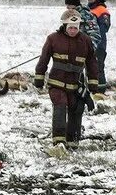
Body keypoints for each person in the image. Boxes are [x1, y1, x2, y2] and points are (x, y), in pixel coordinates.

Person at [34, 11, 99, 145]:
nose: (73, 30)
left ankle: (72, 141)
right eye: (70, 27)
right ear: (65, 26)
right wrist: (39, 77)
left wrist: (93, 82)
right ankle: (59, 141)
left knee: (76, 109)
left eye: (76, 27)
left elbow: (92, 62)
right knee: (60, 105)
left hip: (75, 86)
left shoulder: (85, 40)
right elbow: (44, 59)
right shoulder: (53, 39)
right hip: (56, 84)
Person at [84, 0, 111, 94]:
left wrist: (94, 40)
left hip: (99, 45)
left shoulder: (102, 11)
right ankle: (90, 89)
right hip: (87, 44)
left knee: (98, 68)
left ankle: (100, 91)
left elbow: (103, 29)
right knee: (88, 68)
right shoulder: (88, 10)